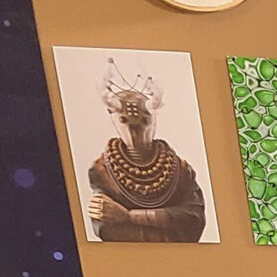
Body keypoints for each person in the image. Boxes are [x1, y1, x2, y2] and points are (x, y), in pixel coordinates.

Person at [85, 61, 206, 243]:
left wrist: (129, 216)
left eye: (144, 122)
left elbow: (193, 218)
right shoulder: (101, 171)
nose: (135, 132)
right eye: (124, 121)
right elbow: (107, 228)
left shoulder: (180, 170)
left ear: (153, 120)